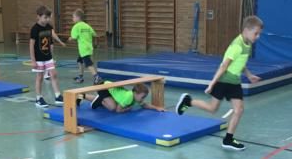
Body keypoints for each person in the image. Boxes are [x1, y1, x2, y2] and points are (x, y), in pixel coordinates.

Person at [176, 16, 264, 151]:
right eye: (256, 33)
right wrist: (212, 83)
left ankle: (228, 139)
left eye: (259, 34)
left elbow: (241, 62)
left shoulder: (248, 44)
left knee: (239, 110)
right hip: (223, 80)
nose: (258, 37)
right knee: (212, 108)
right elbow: (224, 65)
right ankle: (188, 101)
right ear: (246, 30)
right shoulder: (237, 45)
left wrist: (249, 75)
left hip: (234, 81)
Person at [30, 6, 65, 108]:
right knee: (40, 77)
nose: (47, 19)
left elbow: (52, 36)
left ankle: (57, 96)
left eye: (49, 17)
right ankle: (38, 98)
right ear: (38, 16)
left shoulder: (49, 27)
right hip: (39, 58)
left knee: (53, 74)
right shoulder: (35, 29)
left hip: (48, 56)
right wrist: (33, 60)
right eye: (45, 17)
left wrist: (60, 42)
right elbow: (31, 45)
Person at [86, 81, 165, 113]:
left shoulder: (135, 96)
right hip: (104, 87)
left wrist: (157, 108)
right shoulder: (128, 98)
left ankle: (83, 96)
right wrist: (127, 109)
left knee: (112, 102)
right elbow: (118, 110)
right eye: (142, 97)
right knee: (112, 108)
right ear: (135, 93)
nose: (143, 99)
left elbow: (145, 105)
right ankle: (101, 100)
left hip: (111, 89)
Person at [69, 9, 101, 84]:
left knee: (88, 64)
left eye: (73, 17)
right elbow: (94, 34)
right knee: (79, 61)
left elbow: (74, 37)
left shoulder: (76, 27)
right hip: (89, 48)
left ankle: (97, 77)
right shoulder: (87, 26)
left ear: (78, 17)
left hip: (83, 49)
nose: (72, 19)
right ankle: (80, 77)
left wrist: (70, 38)